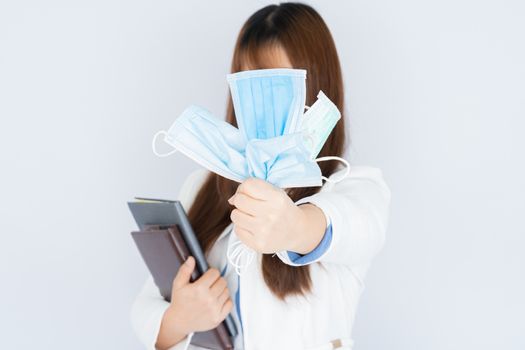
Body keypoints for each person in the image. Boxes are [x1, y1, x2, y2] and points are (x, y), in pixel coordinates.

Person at [131, 3, 390, 349]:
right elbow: (147, 307)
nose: (257, 108)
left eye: (273, 87)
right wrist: (181, 318)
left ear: (314, 87)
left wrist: (295, 227)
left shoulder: (355, 185)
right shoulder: (202, 187)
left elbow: (355, 226)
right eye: (247, 84)